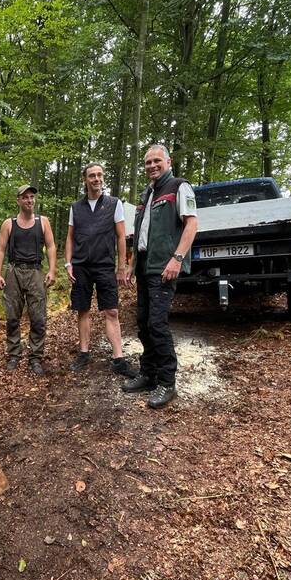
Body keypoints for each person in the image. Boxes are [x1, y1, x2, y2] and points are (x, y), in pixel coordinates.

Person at [122, 144, 198, 408]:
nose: (152, 166)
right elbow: (140, 232)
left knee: (157, 324)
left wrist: (177, 258)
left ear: (168, 161)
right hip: (144, 266)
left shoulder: (179, 187)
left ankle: (167, 382)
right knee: (142, 322)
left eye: (157, 161)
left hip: (164, 267)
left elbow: (192, 223)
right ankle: (149, 373)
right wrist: (131, 264)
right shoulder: (147, 193)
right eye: (147, 163)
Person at [64, 163, 136, 376]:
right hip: (81, 266)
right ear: (85, 180)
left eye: (99, 175)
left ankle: (118, 358)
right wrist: (68, 263)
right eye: (92, 176)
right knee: (83, 309)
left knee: (111, 310)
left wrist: (121, 266)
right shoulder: (76, 208)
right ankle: (84, 353)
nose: (97, 179)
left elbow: (121, 237)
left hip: (105, 265)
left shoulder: (114, 204)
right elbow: (69, 237)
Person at [0, 184, 57, 375]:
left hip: (36, 272)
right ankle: (14, 353)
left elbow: (51, 246)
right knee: (13, 316)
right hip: (14, 271)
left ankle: (36, 356)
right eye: (25, 197)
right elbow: (0, 249)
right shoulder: (9, 223)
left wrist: (52, 270)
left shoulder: (43, 222)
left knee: (38, 317)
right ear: (19, 200)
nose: (29, 200)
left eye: (32, 197)